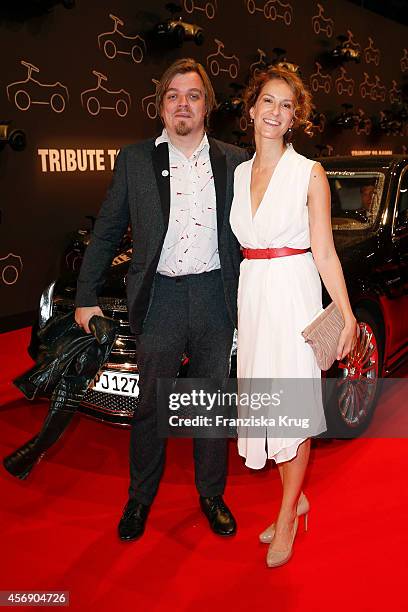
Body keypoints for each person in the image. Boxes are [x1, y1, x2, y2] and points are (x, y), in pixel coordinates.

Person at [74, 58, 248, 540]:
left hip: (216, 295)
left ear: (207, 105)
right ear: (160, 106)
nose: (182, 104)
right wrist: (86, 295)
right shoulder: (134, 159)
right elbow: (107, 231)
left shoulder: (235, 160)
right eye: (173, 96)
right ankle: (140, 497)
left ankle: (211, 494)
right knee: (151, 404)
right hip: (160, 299)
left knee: (210, 401)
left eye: (192, 95)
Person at [229, 66, 358, 567]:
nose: (275, 112)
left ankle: (286, 516)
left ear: (294, 119)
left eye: (286, 106)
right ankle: (296, 497)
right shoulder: (239, 173)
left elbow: (325, 252)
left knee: (293, 410)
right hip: (254, 294)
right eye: (268, 101)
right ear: (252, 108)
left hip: (294, 294)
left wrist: (345, 315)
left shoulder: (310, 173)